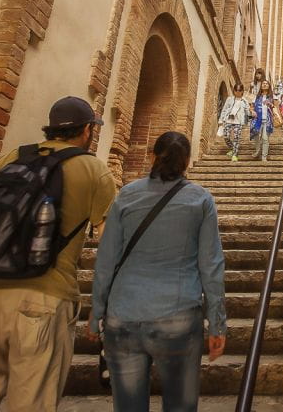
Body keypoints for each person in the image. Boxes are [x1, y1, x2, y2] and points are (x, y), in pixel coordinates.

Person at [0, 97, 117, 412]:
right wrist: (105, 306)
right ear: (87, 131)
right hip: (43, 299)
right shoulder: (93, 169)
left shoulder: (12, 158)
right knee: (32, 401)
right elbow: (109, 246)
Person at [90, 131, 226, 412]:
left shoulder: (126, 195)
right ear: (187, 162)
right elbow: (211, 265)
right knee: (180, 406)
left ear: (153, 156)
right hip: (178, 318)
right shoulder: (201, 200)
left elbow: (106, 260)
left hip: (123, 316)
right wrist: (217, 323)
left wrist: (96, 312)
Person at [218, 83, 253, 162]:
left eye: (239, 90)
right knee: (226, 136)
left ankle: (234, 155)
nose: (237, 92)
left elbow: (247, 112)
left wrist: (251, 113)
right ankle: (233, 149)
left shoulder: (244, 101)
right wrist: (220, 120)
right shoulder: (229, 99)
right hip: (228, 120)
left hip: (238, 121)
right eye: (236, 90)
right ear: (234, 91)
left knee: (236, 138)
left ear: (242, 91)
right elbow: (224, 110)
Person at [250, 80, 276, 161]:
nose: (264, 85)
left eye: (266, 84)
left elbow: (277, 108)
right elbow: (251, 107)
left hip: (267, 121)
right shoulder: (257, 97)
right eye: (263, 84)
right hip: (257, 120)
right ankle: (257, 151)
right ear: (261, 86)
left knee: (265, 139)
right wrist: (252, 111)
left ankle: (264, 157)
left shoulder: (272, 97)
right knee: (256, 136)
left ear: (269, 86)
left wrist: (270, 104)